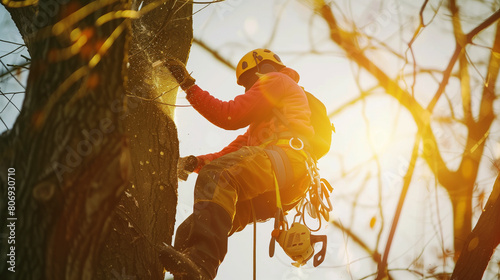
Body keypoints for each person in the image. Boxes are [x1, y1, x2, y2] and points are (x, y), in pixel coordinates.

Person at [160, 49, 314, 280]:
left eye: (249, 81)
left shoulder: (277, 80)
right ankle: (189, 274)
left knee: (218, 175)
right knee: (188, 231)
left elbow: (229, 115)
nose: (247, 90)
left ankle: (202, 265)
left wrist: (188, 85)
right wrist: (195, 163)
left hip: (287, 160)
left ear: (263, 69)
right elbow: (230, 154)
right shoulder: (260, 128)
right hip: (278, 188)